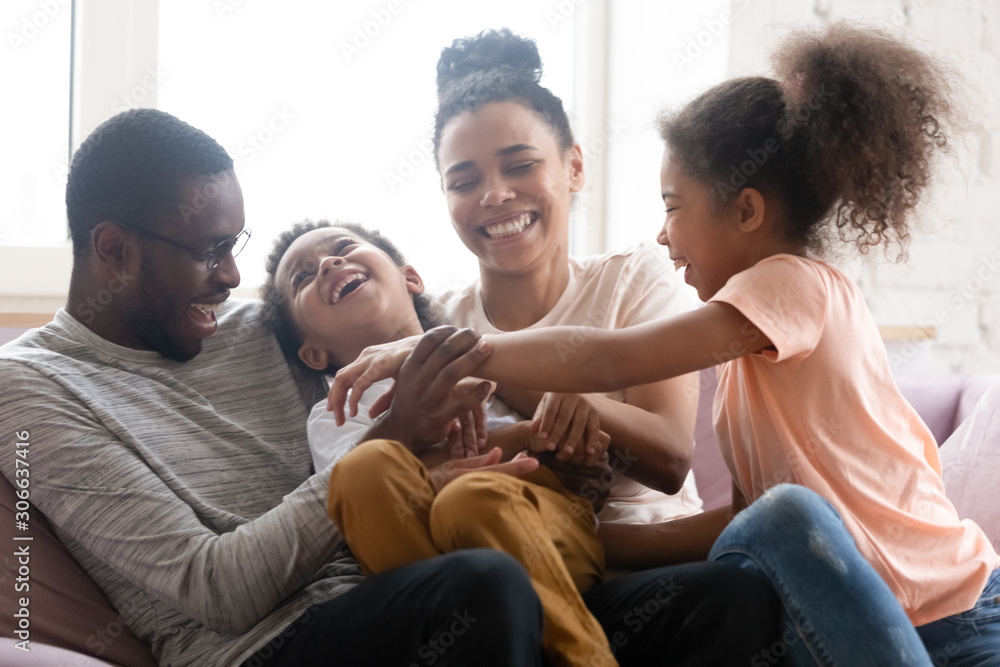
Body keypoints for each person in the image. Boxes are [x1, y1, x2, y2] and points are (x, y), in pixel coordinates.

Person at [332, 23, 1000, 664]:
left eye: (674, 206)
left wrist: (444, 350)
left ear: (745, 211)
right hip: (856, 614)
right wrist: (577, 538)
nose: (661, 234)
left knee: (783, 516)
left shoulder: (794, 285)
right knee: (767, 525)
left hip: (952, 609)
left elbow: (610, 356)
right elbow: (730, 527)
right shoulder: (745, 370)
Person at [0, 108, 549, 667]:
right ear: (115, 250)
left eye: (234, 245)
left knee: (635, 600)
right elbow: (214, 589)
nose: (232, 277)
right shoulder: (32, 385)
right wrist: (397, 434)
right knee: (483, 587)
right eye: (208, 251)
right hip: (261, 648)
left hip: (397, 586)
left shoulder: (257, 325)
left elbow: (401, 341)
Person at [337, 29, 707, 567]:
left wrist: (536, 382)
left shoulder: (631, 278)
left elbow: (670, 461)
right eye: (463, 181)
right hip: (503, 564)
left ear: (574, 167)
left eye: (520, 165)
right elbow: (430, 476)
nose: (494, 194)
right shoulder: (438, 318)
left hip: (648, 566)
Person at [260, 219, 618, 666]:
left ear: (410, 278)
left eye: (344, 247)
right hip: (436, 559)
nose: (329, 263)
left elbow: (556, 439)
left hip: (540, 528)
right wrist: (514, 440)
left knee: (472, 498)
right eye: (302, 277)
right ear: (313, 353)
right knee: (361, 470)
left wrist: (563, 429)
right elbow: (375, 500)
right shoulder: (334, 414)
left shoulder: (487, 355)